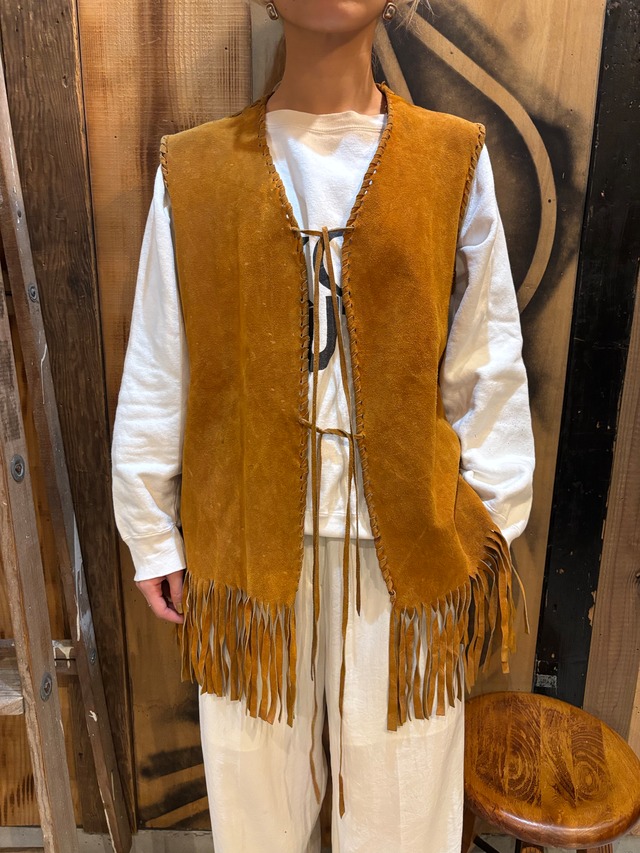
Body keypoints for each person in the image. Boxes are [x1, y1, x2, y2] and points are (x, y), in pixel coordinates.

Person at [111, 1, 536, 851]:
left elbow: (485, 358)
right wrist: (150, 528)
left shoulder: (452, 156)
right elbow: (162, 356)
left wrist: (490, 522)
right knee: (257, 819)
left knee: (404, 817)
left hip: (410, 554)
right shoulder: (196, 168)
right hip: (245, 560)